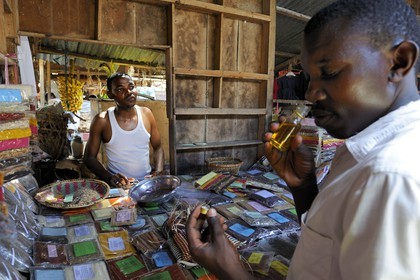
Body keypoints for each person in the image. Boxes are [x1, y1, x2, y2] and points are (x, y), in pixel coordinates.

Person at [186, 0, 420, 279]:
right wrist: (303, 188)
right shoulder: (363, 152)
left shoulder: (390, 175)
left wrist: (232, 271)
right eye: (308, 79)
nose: (310, 95)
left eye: (329, 73)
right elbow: (330, 247)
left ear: (399, 61)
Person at [84, 72, 164, 188]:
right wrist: (109, 177)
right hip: (118, 187)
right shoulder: (102, 120)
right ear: (110, 94)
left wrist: (159, 171)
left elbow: (158, 147)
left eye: (131, 87)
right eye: (121, 89)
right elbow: (89, 158)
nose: (129, 92)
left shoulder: (147, 114)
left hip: (146, 185)